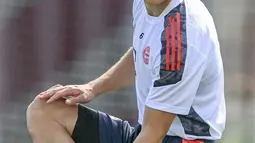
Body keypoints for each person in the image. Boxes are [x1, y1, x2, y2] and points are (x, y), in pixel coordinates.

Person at [26, 0, 226, 142]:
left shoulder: (181, 38)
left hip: (179, 139)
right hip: (146, 132)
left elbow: (153, 134)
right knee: (44, 112)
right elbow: (144, 52)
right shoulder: (146, 4)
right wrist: (93, 88)